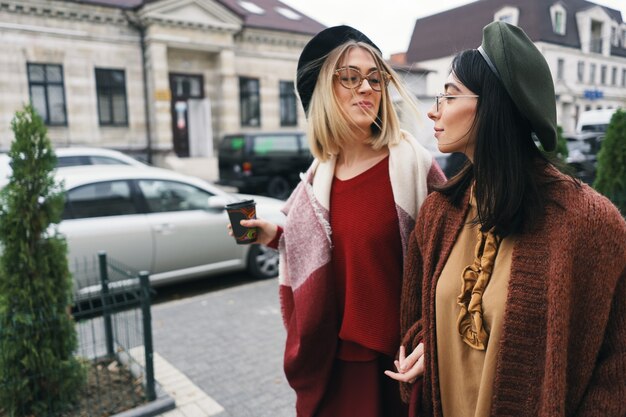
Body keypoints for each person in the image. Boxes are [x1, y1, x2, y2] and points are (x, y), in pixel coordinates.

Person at [385, 21, 626, 417]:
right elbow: (414, 320)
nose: (434, 110)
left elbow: (616, 368)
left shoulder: (587, 223)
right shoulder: (438, 214)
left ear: (494, 105)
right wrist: (430, 342)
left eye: (450, 95)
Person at [231, 25, 445, 417]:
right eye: (350, 77)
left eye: (375, 78)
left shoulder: (414, 165)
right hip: (333, 366)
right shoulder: (317, 178)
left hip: (398, 368)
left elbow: (455, 255)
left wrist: (434, 339)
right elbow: (322, 242)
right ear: (325, 94)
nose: (366, 88)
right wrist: (272, 234)